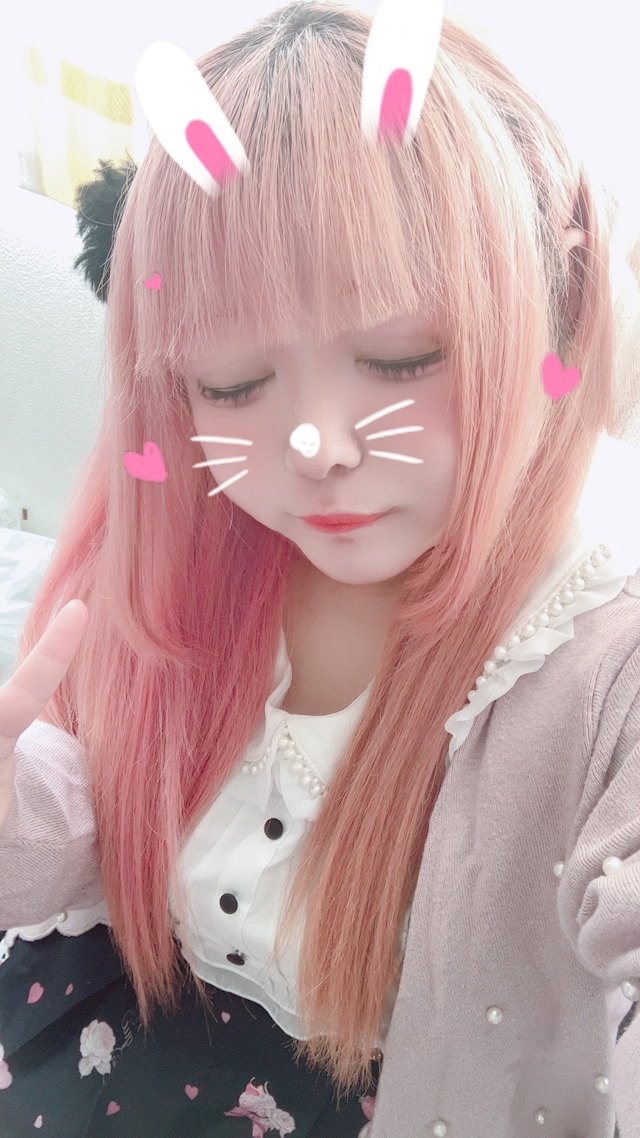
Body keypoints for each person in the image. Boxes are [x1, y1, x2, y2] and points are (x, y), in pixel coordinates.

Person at [1, 3, 640, 1136]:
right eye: (233, 384)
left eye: (400, 356)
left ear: (555, 308)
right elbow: (92, 826)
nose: (317, 447)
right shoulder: (201, 556)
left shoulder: (599, 659)